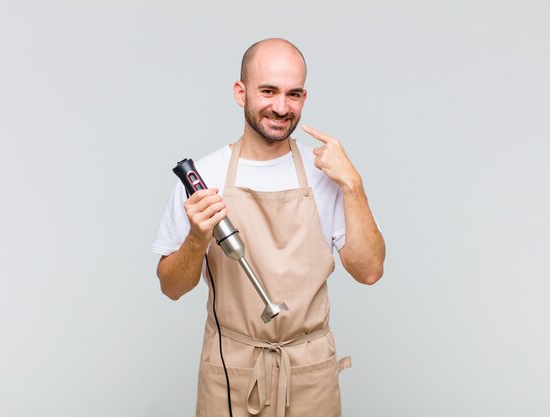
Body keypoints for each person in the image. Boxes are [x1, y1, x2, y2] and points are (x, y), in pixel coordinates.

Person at [152, 38, 385, 417]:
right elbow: (171, 287)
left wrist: (353, 184)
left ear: (304, 97)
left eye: (293, 94)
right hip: (231, 372)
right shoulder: (203, 176)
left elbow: (370, 271)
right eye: (268, 91)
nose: (281, 107)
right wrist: (197, 237)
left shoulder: (326, 172)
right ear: (240, 92)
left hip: (309, 373)